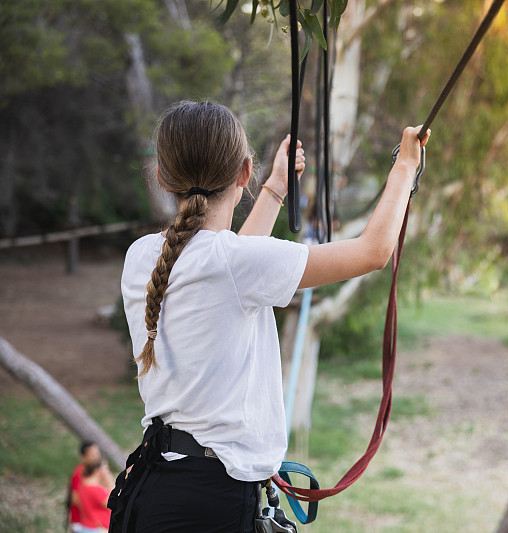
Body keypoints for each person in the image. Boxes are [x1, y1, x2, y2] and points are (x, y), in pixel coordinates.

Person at [112, 100, 429, 532]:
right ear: (244, 173)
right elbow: (373, 251)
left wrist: (276, 189)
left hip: (153, 487)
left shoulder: (141, 256)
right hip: (213, 499)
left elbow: (230, 269)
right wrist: (405, 167)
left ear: (164, 176)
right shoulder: (233, 264)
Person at [69, 442, 113, 532]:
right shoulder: (81, 473)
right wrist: (92, 511)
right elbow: (75, 498)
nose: (96, 457)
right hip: (83, 522)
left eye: (97, 453)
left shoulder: (88, 477)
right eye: (92, 455)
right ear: (84, 457)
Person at [76, 459, 113, 532]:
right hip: (97, 528)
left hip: (87, 526)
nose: (108, 472)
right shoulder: (95, 489)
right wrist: (110, 482)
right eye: (105, 469)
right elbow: (113, 503)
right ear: (97, 470)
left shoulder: (83, 484)